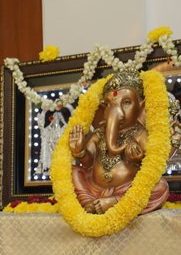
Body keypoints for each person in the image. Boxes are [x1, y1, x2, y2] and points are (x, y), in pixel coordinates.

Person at [68, 68, 169, 214]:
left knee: (159, 186)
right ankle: (89, 203)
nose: (117, 111)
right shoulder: (99, 134)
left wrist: (140, 159)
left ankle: (115, 202)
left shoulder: (141, 134)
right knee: (72, 172)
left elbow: (156, 163)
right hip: (95, 189)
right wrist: (79, 151)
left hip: (126, 190)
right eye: (109, 104)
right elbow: (88, 162)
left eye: (126, 102)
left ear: (141, 107)